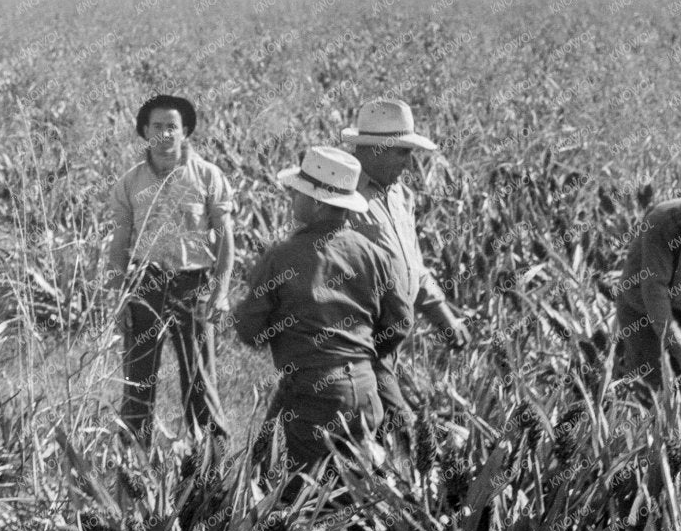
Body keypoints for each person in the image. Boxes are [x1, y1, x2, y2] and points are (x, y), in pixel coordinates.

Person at [232, 145, 413, 471]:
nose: (291, 199)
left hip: (315, 396)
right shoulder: (372, 253)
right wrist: (360, 353)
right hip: (366, 391)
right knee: (357, 490)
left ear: (315, 203)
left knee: (310, 494)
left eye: (297, 193)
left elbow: (249, 330)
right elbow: (400, 322)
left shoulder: (281, 258)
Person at [105, 93, 235, 443]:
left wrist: (220, 295)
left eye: (172, 127)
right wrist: (117, 299)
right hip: (144, 285)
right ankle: (131, 464)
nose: (165, 134)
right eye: (157, 126)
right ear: (145, 131)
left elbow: (225, 242)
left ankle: (211, 464)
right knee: (137, 380)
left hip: (192, 286)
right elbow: (119, 246)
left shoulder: (208, 176)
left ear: (185, 131)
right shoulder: (130, 182)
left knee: (199, 379)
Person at [339, 99, 468, 431]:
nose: (410, 162)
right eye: (403, 152)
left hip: (389, 338)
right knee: (403, 429)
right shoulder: (342, 196)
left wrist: (443, 317)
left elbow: (414, 266)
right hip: (358, 337)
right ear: (377, 149)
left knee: (368, 434)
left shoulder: (400, 196)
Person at [611, 158, 681, 394]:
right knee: (652, 385)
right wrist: (677, 344)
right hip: (640, 308)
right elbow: (654, 288)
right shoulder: (665, 221)